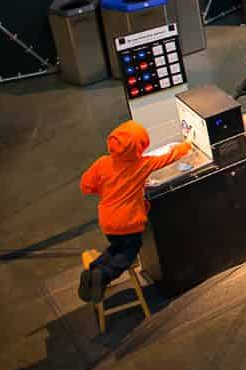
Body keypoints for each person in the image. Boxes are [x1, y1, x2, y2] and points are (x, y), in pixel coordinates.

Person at [78, 121, 191, 302]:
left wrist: (104, 189)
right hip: (129, 222)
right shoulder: (141, 165)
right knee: (128, 253)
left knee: (115, 248)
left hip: (108, 221)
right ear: (139, 147)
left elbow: (86, 186)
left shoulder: (102, 163)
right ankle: (104, 275)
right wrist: (186, 145)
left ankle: (92, 271)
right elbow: (168, 158)